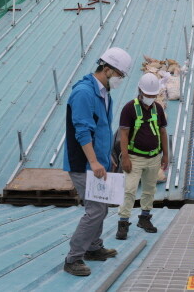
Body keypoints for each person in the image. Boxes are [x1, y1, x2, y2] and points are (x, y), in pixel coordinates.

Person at [63, 47, 132, 277]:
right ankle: (73, 258)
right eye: (120, 75)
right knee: (95, 210)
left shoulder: (103, 93)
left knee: (101, 207)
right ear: (108, 69)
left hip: (97, 162)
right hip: (83, 164)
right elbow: (82, 131)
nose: (121, 80)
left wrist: (107, 157)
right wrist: (93, 162)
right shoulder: (84, 92)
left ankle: (93, 247)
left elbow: (101, 130)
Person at [116, 73, 169, 240]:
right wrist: (125, 158)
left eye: (153, 95)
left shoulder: (158, 108)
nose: (151, 97)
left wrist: (166, 155)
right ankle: (123, 222)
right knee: (129, 191)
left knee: (149, 190)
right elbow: (123, 134)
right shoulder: (129, 108)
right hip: (134, 158)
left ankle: (144, 218)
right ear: (140, 91)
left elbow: (162, 132)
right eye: (148, 95)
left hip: (153, 157)